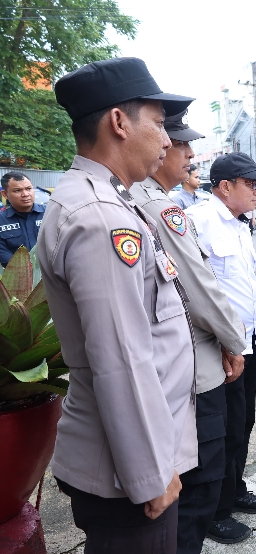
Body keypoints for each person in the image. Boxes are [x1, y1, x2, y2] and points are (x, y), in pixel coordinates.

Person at [38, 57, 195, 553]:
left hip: (128, 456)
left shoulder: (107, 199)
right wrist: (151, 473)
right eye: (159, 123)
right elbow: (121, 357)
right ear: (119, 122)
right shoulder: (101, 217)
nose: (168, 140)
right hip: (126, 472)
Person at [130, 110, 248, 551]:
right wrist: (234, 342)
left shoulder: (140, 198)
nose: (187, 155)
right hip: (196, 367)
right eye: (180, 144)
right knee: (199, 483)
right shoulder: (161, 208)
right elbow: (199, 288)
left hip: (175, 363)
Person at [186, 152, 256, 543]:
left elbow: (241, 286)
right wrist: (227, 342)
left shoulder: (240, 224)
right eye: (251, 184)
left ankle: (234, 489)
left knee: (243, 423)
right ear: (225, 187)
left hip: (247, 343)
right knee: (221, 431)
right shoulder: (199, 221)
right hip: (221, 348)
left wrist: (253, 339)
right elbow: (195, 290)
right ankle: (215, 512)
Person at [0, 172, 45, 267]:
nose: (25, 194)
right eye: (17, 190)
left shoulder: (49, 214)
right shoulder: (1, 220)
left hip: (48, 272)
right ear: (5, 194)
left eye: (28, 189)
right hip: (15, 273)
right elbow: (3, 253)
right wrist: (26, 270)